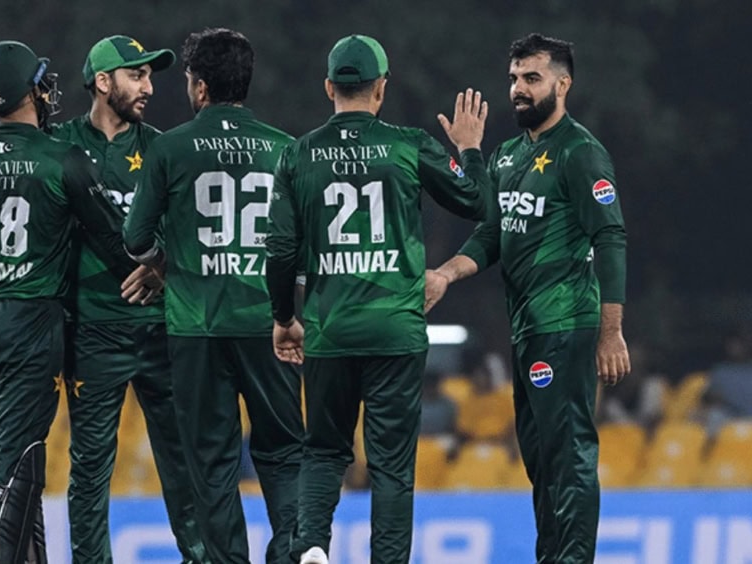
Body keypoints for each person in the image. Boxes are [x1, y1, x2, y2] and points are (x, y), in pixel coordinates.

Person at [0, 35, 206, 564]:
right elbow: (9, 168)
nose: (149, 86)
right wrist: (154, 269)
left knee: (178, 461)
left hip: (155, 327)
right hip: (89, 329)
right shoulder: (62, 145)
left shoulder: (161, 148)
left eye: (150, 75)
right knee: (80, 470)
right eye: (137, 74)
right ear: (104, 82)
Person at [265, 34, 489, 564]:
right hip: (395, 329)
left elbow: (279, 249)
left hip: (330, 328)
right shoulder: (408, 145)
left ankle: (311, 545)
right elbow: (476, 202)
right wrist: (470, 149)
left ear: (328, 87)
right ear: (382, 88)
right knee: (391, 466)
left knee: (324, 451)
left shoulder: (298, 154)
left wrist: (284, 316)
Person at [425, 33, 631, 563]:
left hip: (565, 323)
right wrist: (445, 274)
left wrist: (611, 332)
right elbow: (492, 233)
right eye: (514, 78)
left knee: (569, 453)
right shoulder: (509, 155)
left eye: (532, 78)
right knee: (540, 458)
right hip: (528, 329)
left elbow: (610, 237)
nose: (518, 88)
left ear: (563, 85)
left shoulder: (580, 152)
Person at [0, 40, 138, 563]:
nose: (48, 91)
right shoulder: (61, 158)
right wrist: (150, 276)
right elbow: (112, 239)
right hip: (32, 317)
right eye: (40, 82)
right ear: (28, 92)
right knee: (19, 462)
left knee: (5, 455)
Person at [122, 28, 304, 564]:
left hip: (195, 327)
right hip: (267, 324)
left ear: (199, 86)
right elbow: (301, 245)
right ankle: (290, 554)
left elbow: (135, 238)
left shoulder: (168, 147)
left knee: (212, 462)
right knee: (284, 453)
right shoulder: (285, 148)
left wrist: (166, 266)